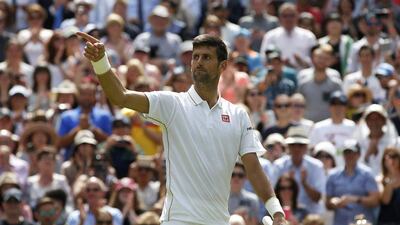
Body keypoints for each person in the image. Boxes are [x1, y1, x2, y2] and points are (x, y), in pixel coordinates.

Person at [77, 32, 287, 225]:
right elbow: (120, 96)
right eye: (195, 57)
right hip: (177, 220)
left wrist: (276, 212)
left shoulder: (239, 115)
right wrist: (100, 62)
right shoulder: (172, 104)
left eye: (206, 57)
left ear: (223, 66)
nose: (198, 62)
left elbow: (253, 168)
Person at [325, 139, 379, 225]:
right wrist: (334, 202)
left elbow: (375, 200)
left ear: (359, 155)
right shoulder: (333, 175)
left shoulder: (367, 174)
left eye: (352, 153)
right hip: (340, 222)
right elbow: (328, 203)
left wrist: (355, 199)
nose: (349, 156)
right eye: (346, 153)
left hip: (362, 222)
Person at [376, 148, 400, 224]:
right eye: (389, 157)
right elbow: (385, 201)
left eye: (394, 156)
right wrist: (391, 172)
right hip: (386, 222)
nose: (392, 160)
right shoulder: (379, 179)